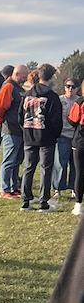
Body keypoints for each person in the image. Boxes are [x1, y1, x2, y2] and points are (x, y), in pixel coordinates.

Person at [19, 63, 62, 213]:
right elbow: (56, 120)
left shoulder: (27, 94)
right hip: (46, 137)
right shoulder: (51, 96)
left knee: (28, 168)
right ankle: (44, 202)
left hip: (29, 135)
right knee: (46, 169)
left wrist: (26, 130)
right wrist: (54, 135)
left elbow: (20, 116)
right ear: (51, 77)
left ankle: (26, 200)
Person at [0, 65, 29, 198]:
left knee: (17, 161)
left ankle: (14, 187)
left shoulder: (18, 88)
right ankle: (5, 189)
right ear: (17, 74)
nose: (25, 80)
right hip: (10, 129)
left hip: (20, 130)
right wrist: (1, 121)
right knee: (9, 161)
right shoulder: (8, 86)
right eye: (24, 77)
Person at [52, 79, 78, 199]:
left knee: (75, 164)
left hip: (76, 136)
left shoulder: (79, 101)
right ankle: (57, 189)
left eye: (73, 87)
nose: (70, 89)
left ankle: (74, 188)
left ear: (77, 88)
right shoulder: (60, 100)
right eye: (68, 86)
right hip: (62, 135)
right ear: (64, 87)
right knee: (60, 164)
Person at [68, 80, 84, 216]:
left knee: (79, 173)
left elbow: (72, 120)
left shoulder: (80, 103)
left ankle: (78, 205)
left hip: (80, 141)